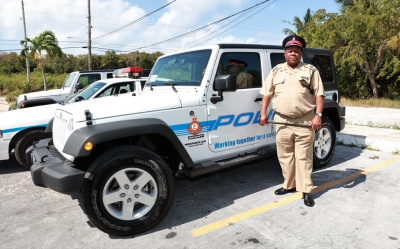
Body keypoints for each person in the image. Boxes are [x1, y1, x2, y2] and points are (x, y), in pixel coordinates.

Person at [259, 35, 325, 207]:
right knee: (285, 156)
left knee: (303, 158)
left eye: (296, 51)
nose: (293, 53)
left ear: (301, 53)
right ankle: (289, 185)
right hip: (281, 121)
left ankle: (306, 191)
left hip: (305, 121)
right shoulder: (276, 71)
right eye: (290, 51)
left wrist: (318, 115)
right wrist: (263, 114)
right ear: (285, 53)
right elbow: (267, 94)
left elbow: (319, 94)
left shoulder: (311, 71)